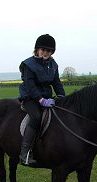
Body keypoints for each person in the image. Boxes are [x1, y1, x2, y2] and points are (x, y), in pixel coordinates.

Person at [18, 34, 65, 166]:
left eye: (49, 51)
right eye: (43, 50)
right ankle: (25, 153)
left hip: (47, 96)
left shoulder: (53, 64)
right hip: (30, 97)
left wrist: (62, 97)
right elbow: (30, 85)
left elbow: (57, 82)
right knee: (36, 117)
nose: (46, 53)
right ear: (37, 49)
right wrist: (41, 100)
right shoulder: (28, 64)